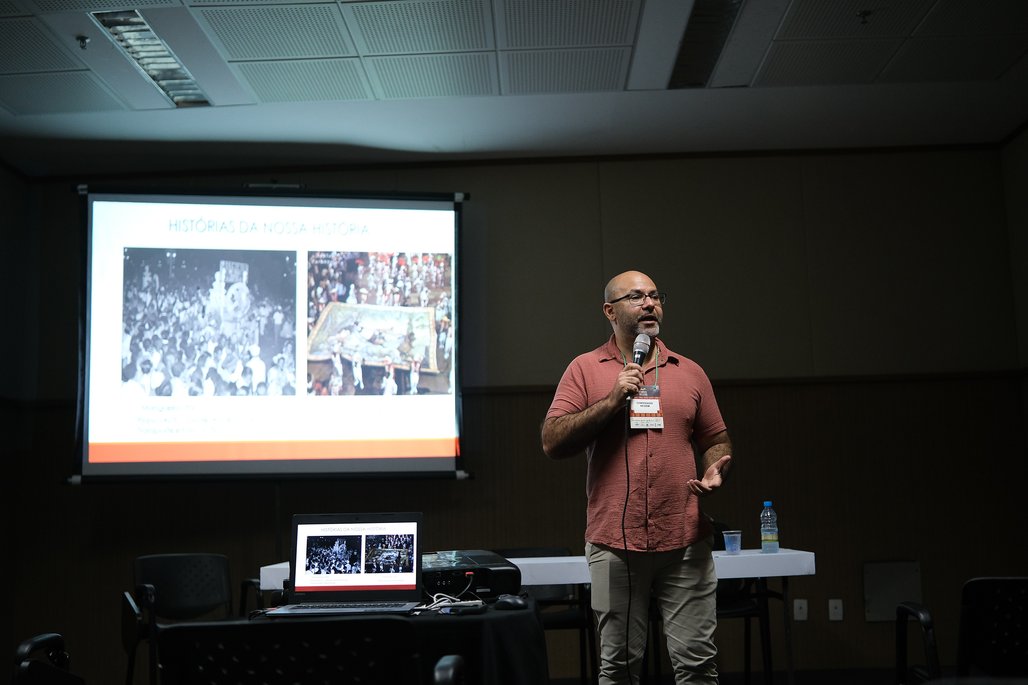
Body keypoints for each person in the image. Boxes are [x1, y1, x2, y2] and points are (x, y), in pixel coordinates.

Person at [541, 270, 733, 685]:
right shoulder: (585, 369)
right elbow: (552, 441)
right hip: (615, 543)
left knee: (698, 666)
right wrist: (612, 400)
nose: (649, 303)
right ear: (610, 311)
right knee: (620, 668)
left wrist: (717, 466)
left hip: (685, 540)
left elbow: (717, 439)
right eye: (635, 297)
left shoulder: (690, 371)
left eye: (654, 296)